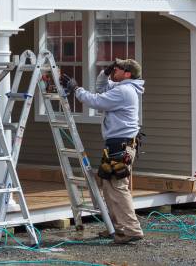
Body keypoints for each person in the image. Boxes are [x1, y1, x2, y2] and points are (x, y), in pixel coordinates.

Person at [60, 58, 145, 245]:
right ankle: (117, 228)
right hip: (118, 144)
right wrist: (105, 73)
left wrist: (75, 89)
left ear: (127, 74)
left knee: (117, 187)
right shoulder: (123, 86)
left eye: (118, 68)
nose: (115, 69)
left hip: (121, 145)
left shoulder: (124, 91)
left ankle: (131, 229)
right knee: (108, 186)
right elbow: (101, 88)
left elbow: (96, 100)